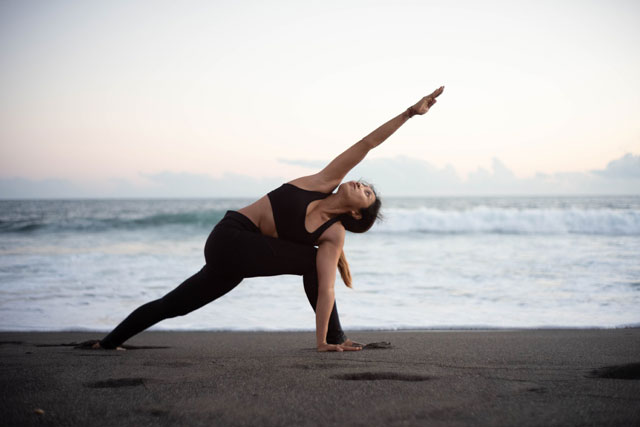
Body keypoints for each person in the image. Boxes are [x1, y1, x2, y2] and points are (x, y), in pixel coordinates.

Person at [90, 86, 444, 352]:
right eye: (365, 184)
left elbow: (326, 288)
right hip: (229, 237)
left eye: (366, 193)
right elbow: (368, 143)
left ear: (356, 213)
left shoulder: (333, 235)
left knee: (176, 306)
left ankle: (108, 344)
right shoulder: (322, 182)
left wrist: (319, 340)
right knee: (310, 262)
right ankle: (335, 338)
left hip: (239, 263)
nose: (361, 184)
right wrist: (410, 113)